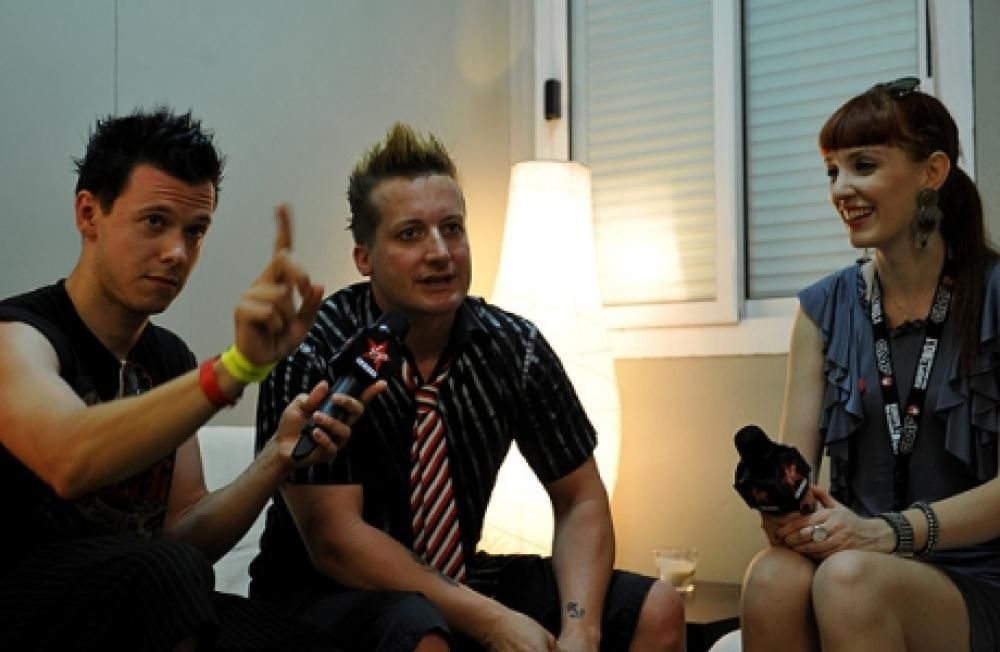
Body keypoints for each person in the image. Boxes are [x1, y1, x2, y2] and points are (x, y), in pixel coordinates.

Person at [250, 122, 686, 652]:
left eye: (452, 229)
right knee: (422, 632)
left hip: (456, 576)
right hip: (318, 595)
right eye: (410, 234)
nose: (440, 252)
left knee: (657, 608)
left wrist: (580, 628)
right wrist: (493, 621)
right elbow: (335, 543)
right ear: (364, 258)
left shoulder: (514, 347)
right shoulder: (318, 352)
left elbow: (580, 499)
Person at [0, 107, 379, 651]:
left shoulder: (167, 357)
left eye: (195, 231)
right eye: (154, 222)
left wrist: (276, 458)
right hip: (22, 603)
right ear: (89, 213)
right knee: (167, 570)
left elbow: (186, 534)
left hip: (137, 601)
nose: (177, 253)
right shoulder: (19, 335)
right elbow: (68, 458)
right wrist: (233, 369)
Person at [739, 77, 1000, 652]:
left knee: (849, 580)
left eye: (863, 165)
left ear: (932, 171)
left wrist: (888, 533)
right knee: (773, 576)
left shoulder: (994, 294)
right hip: (855, 554)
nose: (841, 189)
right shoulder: (823, 308)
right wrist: (785, 512)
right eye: (832, 171)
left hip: (972, 575)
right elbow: (796, 470)